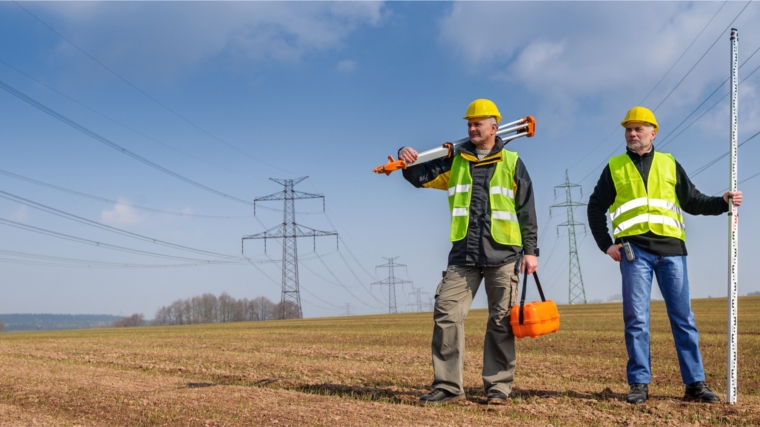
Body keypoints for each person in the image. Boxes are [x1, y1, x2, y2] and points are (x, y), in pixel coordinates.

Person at [587, 106, 743, 405]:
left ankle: (695, 384)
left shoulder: (670, 163)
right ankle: (639, 384)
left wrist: (723, 202)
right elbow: (595, 207)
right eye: (628, 129)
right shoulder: (615, 166)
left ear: (653, 132)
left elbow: (693, 201)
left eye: (639, 129)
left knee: (683, 318)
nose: (632, 134)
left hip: (672, 253)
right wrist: (606, 244)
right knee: (636, 320)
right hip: (634, 253)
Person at [398, 99, 538, 405]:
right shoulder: (456, 162)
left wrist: (531, 251)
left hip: (503, 254)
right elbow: (418, 177)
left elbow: (527, 209)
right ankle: (448, 388)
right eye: (469, 124)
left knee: (500, 322)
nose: (472, 128)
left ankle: (498, 389)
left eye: (478, 123)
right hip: (463, 256)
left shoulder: (512, 162)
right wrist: (405, 158)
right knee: (446, 314)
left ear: (494, 127)